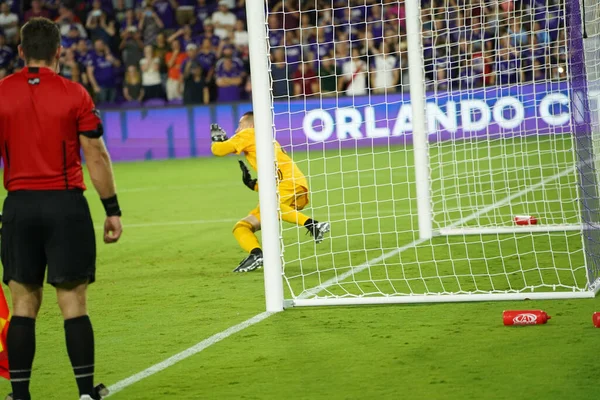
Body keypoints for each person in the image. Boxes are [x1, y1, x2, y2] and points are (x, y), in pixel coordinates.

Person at [0, 17, 122, 400]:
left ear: (21, 52)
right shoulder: (75, 94)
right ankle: (86, 392)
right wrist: (112, 208)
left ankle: (20, 396)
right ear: (59, 51)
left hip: (18, 206)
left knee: (23, 304)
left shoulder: (1, 93)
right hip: (65, 205)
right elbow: (96, 155)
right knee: (73, 303)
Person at [210, 112, 330, 272]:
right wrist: (253, 185)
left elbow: (219, 150)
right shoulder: (263, 140)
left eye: (240, 125)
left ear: (251, 125)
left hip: (286, 184)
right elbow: (273, 176)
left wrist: (218, 140)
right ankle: (257, 254)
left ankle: (313, 224)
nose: (237, 130)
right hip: (285, 185)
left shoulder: (251, 133)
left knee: (272, 207)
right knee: (242, 227)